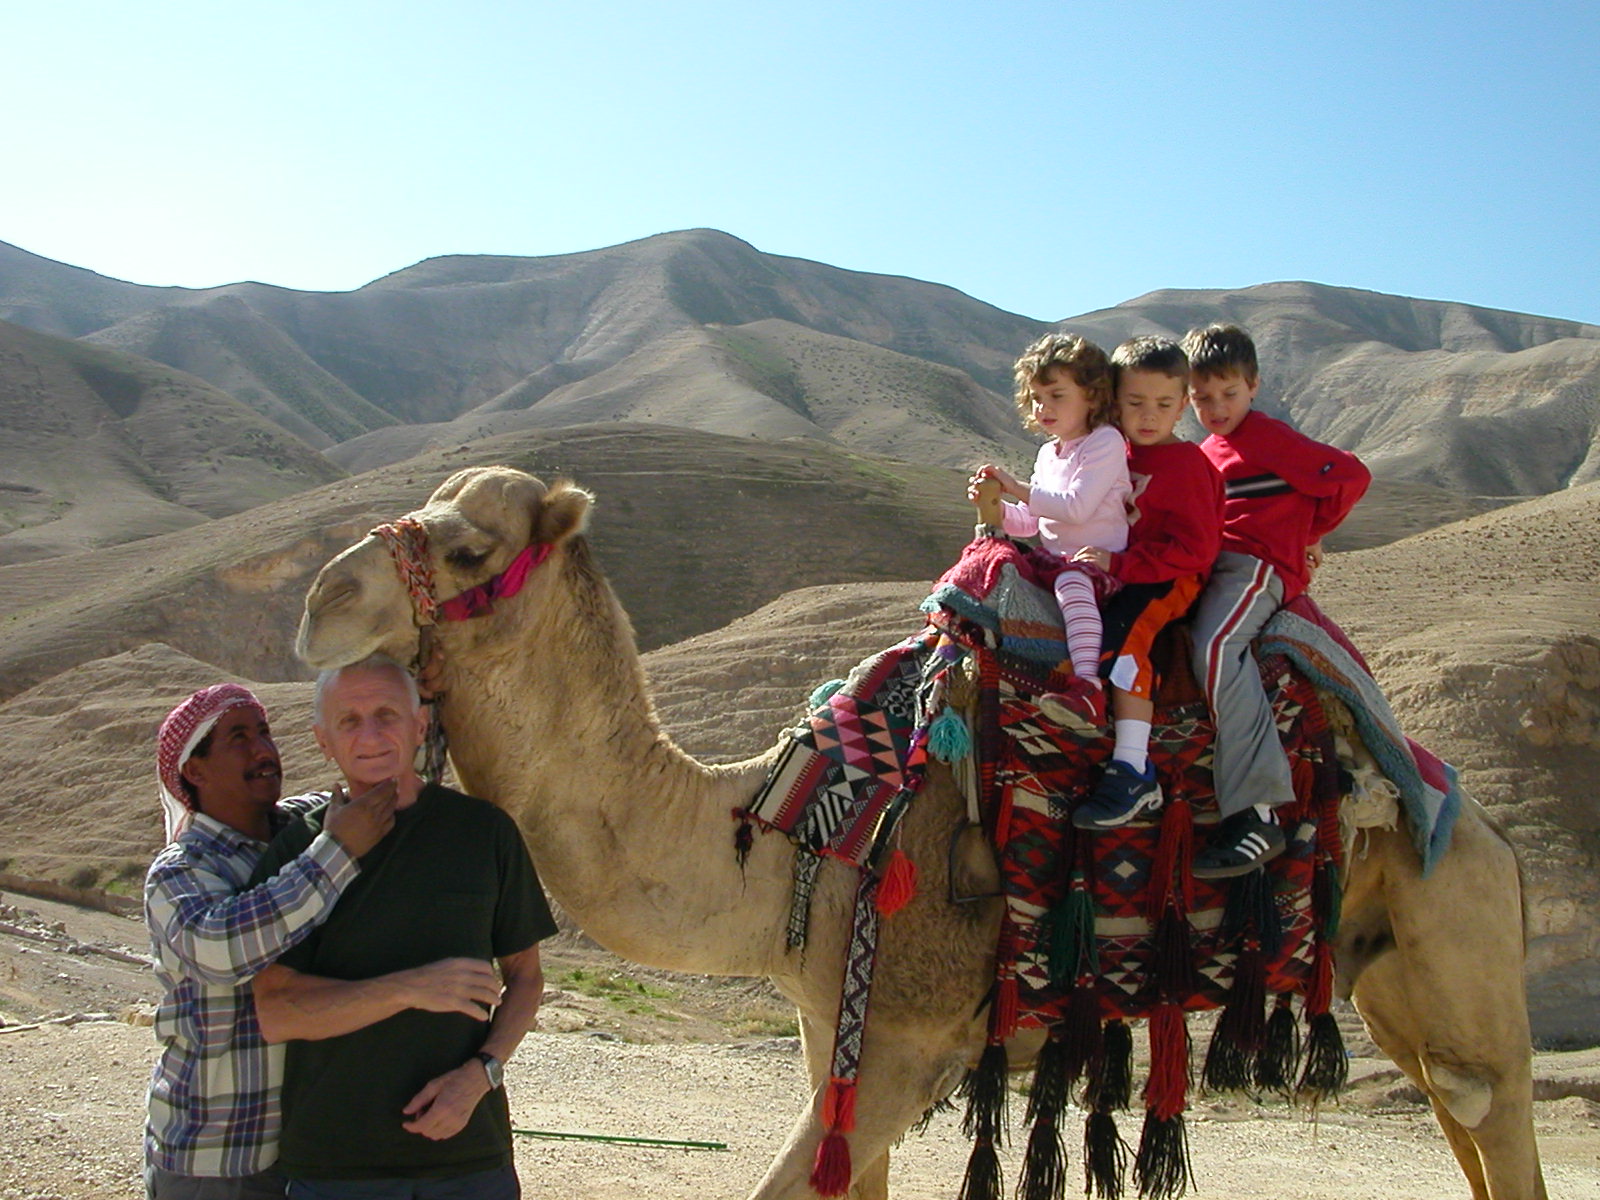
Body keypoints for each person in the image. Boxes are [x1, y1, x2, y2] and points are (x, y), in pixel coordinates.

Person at [251, 654, 557, 1200]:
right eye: (350, 720)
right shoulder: (300, 851)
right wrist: (412, 988)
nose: (370, 734)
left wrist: (481, 1075)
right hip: (336, 1165)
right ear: (324, 740)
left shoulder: (483, 832)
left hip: (470, 1158)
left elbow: (526, 977)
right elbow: (276, 1010)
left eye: (387, 714)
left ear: (419, 726)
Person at [144, 683, 399, 1199]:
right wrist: (339, 850)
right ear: (195, 771)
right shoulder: (181, 872)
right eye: (238, 738)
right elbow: (224, 951)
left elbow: (390, 783)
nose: (264, 750)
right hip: (215, 1159)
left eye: (264, 732)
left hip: (309, 1152)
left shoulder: (304, 827)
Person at [1182, 323, 1371, 877]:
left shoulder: (1268, 438)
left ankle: (1258, 810)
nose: (1216, 407)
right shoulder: (1206, 450)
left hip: (1258, 567)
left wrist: (1311, 531)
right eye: (1202, 398)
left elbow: (1350, 476)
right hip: (1215, 568)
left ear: (1254, 385)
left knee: (1215, 648)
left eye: (1228, 394)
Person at [1070, 336, 1225, 829]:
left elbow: (1196, 550)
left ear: (1183, 404)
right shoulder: (1110, 451)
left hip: (1167, 577)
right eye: (1135, 403)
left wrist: (1122, 567)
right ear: (1114, 402)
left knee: (1122, 639)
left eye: (1163, 404)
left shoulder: (1187, 465)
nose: (1148, 416)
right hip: (1117, 565)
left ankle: (1134, 768)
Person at [968, 333, 1131, 731]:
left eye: (1057, 395)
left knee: (1073, 584)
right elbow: (1031, 521)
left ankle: (1088, 686)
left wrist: (1018, 487)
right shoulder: (1048, 453)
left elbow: (1076, 508)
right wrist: (994, 505)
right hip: (1053, 561)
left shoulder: (1105, 442)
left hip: (1095, 565)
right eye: (1037, 398)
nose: (1044, 408)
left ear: (1091, 395)